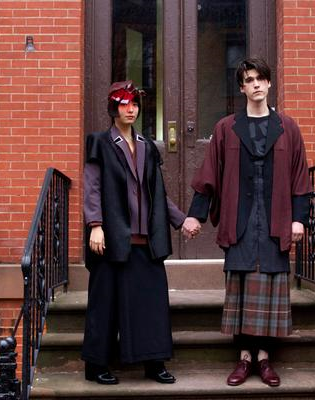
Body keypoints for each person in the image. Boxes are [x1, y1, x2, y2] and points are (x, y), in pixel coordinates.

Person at [182, 58, 311, 387]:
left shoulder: (288, 127)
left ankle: (265, 360)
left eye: (260, 79)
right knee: (240, 292)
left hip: (275, 221)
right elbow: (209, 175)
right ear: (241, 88)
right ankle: (243, 359)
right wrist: (196, 214)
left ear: (268, 84)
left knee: (269, 290)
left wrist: (299, 219)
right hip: (239, 222)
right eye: (248, 80)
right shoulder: (227, 128)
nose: (255, 84)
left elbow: (299, 176)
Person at [82, 80, 191, 385]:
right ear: (113, 109)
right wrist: (96, 226)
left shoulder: (147, 146)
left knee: (151, 305)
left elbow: (157, 192)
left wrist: (181, 220)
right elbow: (92, 188)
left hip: (147, 242)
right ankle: (96, 365)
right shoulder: (100, 143)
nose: (131, 109)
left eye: (135, 104)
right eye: (124, 103)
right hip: (112, 239)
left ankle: (154, 364)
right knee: (104, 305)